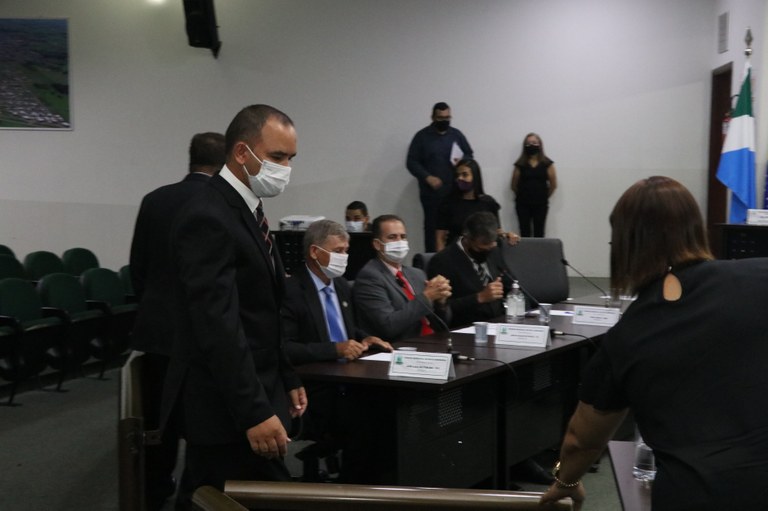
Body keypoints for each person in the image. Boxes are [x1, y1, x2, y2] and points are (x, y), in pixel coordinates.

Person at [539, 176, 768, 511]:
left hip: (697, 495)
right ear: (696, 228)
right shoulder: (760, 277)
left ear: (624, 245)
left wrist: (566, 481)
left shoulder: (629, 334)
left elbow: (581, 441)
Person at [161, 105, 307, 509]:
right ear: (242, 152)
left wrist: (287, 374)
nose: (285, 168)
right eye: (277, 156)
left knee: (207, 495)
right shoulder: (208, 214)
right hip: (227, 405)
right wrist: (253, 411)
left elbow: (263, 310)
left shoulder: (246, 207)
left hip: (256, 388)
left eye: (291, 158)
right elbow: (217, 325)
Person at [128, 131, 225, 511]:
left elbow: (138, 268)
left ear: (191, 158)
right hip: (206, 333)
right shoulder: (223, 201)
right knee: (205, 420)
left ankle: (154, 491)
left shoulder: (155, 199)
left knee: (158, 422)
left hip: (158, 330)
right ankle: (199, 492)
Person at [281, 219, 392, 481]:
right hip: (315, 388)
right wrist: (335, 350)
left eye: (346, 251)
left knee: (391, 406)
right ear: (315, 252)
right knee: (369, 419)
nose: (344, 257)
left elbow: (348, 331)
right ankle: (351, 487)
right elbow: (285, 347)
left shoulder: (340, 285)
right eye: (338, 251)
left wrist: (366, 338)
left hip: (350, 379)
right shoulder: (292, 290)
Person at [353, 214, 452, 342]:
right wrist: (427, 297)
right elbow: (388, 326)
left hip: (432, 342)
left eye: (403, 237)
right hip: (402, 347)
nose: (399, 242)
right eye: (392, 237)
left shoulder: (417, 274)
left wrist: (440, 303)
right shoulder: (369, 277)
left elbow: (442, 325)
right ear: (377, 244)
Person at [407, 102, 473, 252]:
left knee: (456, 228)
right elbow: (411, 162)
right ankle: (432, 260)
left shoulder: (456, 135)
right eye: (440, 118)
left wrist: (462, 162)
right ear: (433, 117)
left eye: (447, 118)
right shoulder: (422, 137)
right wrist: (427, 177)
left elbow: (469, 154)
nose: (444, 121)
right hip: (432, 195)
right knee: (432, 230)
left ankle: (456, 259)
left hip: (455, 192)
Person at [428, 211, 510, 328]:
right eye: (480, 250)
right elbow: (440, 308)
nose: (486, 253)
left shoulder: (494, 252)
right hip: (466, 328)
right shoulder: (442, 261)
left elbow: (512, 284)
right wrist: (479, 297)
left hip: (499, 323)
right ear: (466, 238)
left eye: (490, 248)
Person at [435, 158, 520, 252]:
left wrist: (507, 235)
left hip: (484, 253)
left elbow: (496, 231)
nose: (460, 178)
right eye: (457, 175)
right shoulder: (448, 203)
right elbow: (440, 238)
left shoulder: (488, 203)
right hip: (457, 253)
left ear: (475, 177)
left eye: (465, 175)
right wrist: (441, 258)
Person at [510, 132, 557, 237]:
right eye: (528, 143)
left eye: (534, 142)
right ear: (524, 146)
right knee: (524, 232)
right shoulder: (520, 164)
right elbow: (513, 185)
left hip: (541, 204)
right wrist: (523, 194)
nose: (531, 145)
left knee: (539, 232)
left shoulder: (547, 163)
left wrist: (543, 196)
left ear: (540, 144)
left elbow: (553, 185)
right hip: (522, 204)